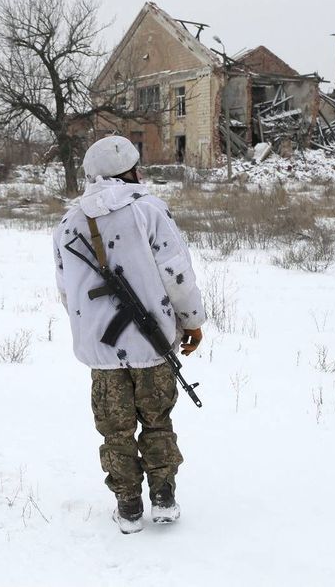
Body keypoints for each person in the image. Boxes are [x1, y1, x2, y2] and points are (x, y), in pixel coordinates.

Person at [53, 135, 206, 534]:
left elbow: (66, 292)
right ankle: (164, 497)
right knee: (157, 421)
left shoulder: (67, 223)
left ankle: (128, 504)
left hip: (101, 353)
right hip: (151, 345)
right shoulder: (148, 211)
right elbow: (177, 274)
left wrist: (91, 330)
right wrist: (191, 320)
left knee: (114, 430)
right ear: (130, 171)